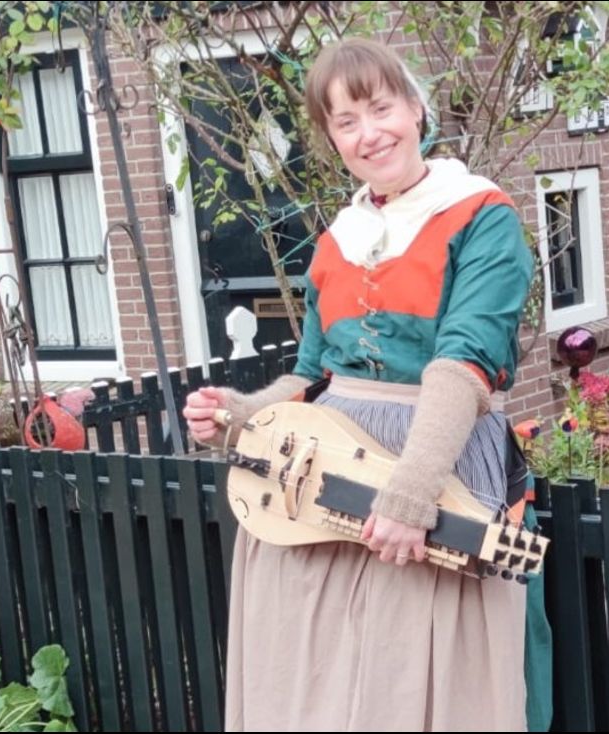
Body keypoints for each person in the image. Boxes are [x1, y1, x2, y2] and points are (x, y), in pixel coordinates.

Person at [184, 37, 542, 732]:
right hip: (316, 496)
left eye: (381, 109)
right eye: (345, 122)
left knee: (415, 691)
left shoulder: (482, 217)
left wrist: (411, 494)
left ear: (415, 109)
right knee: (309, 690)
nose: (369, 133)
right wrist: (240, 415)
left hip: (432, 475)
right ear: (331, 140)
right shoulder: (339, 238)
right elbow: (314, 376)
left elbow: (465, 366)